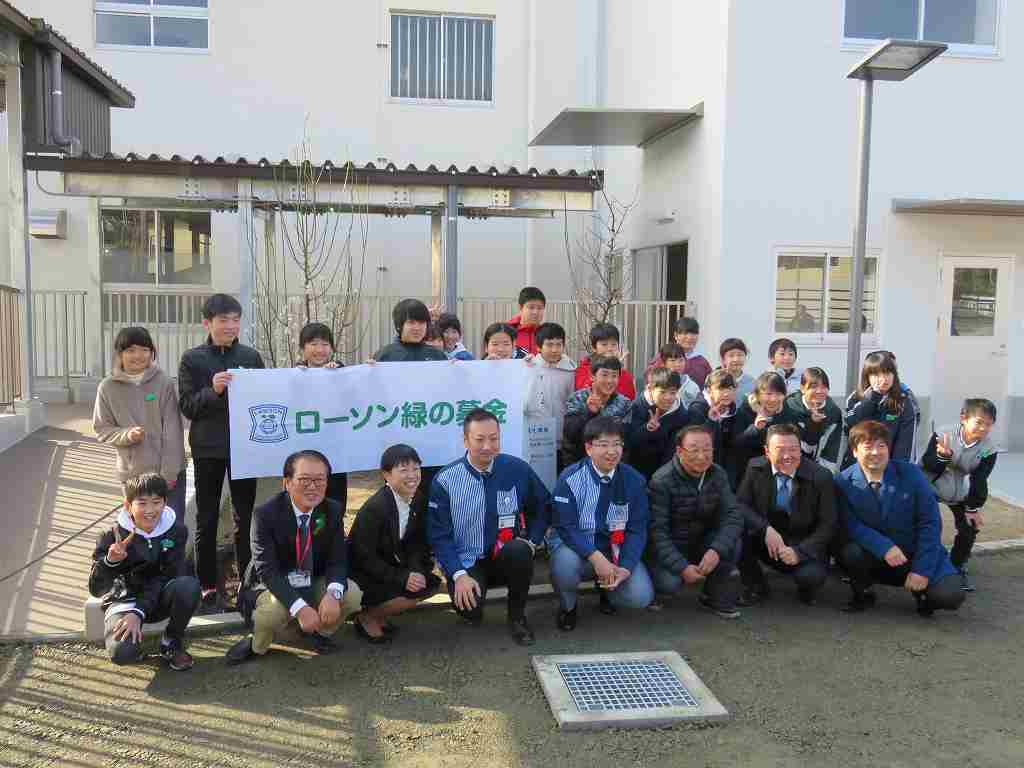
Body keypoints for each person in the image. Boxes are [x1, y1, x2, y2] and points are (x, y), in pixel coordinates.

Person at [427, 408, 550, 646]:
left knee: (520, 550)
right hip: (468, 561)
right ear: (465, 440)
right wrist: (458, 574)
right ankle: (471, 593)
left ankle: (517, 617)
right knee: (470, 611)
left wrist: (533, 540)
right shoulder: (445, 480)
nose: (488, 446)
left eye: (494, 439)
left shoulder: (517, 469)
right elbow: (439, 535)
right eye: (480, 439)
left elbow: (544, 506)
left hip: (505, 555)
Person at [226, 450, 362, 664]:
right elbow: (267, 571)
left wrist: (333, 594)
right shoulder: (264, 515)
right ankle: (257, 644)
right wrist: (300, 608)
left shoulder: (332, 510)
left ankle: (318, 633)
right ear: (287, 483)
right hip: (273, 582)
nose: (313, 486)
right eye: (304, 480)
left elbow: (338, 559)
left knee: (351, 594)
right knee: (271, 613)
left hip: (312, 577)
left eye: (319, 479)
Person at [178, 293, 265, 607]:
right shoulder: (192, 359)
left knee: (244, 516)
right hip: (208, 448)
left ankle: (246, 578)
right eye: (223, 320)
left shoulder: (251, 356)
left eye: (235, 319)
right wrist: (212, 391)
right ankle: (207, 585)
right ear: (207, 323)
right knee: (207, 517)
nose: (230, 326)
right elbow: (187, 406)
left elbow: (264, 399)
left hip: (245, 447)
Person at [836, 421, 965, 617]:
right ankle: (864, 590)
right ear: (854, 451)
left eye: (881, 446)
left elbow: (929, 522)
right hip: (876, 555)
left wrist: (922, 569)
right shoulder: (842, 481)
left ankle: (924, 596)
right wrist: (884, 547)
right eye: (868, 446)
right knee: (850, 551)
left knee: (950, 595)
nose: (875, 452)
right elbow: (851, 524)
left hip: (914, 552)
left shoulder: (911, 474)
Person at [550, 417, 654, 630]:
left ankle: (608, 591)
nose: (612, 451)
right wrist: (596, 557)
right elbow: (566, 526)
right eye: (603, 445)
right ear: (588, 448)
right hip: (576, 547)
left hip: (614, 548)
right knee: (565, 566)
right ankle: (568, 607)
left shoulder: (634, 480)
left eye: (617, 444)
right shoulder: (570, 478)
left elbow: (637, 529)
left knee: (640, 596)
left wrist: (625, 567)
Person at [88, 473, 199, 671]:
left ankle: (171, 642)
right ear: (128, 505)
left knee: (189, 586)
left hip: (159, 597)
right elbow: (96, 590)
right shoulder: (110, 536)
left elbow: (167, 575)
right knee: (121, 653)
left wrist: (138, 611)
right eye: (142, 503)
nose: (150, 510)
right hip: (124, 601)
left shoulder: (176, 531)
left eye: (156, 502)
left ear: (165, 502)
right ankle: (137, 652)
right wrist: (109, 562)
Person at [647, 425, 744, 619]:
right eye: (694, 449)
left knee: (733, 544)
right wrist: (681, 567)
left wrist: (716, 550)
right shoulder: (661, 480)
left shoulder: (717, 474)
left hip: (701, 542)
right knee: (669, 583)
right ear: (679, 451)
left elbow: (733, 515)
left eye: (707, 449)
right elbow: (657, 532)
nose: (701, 456)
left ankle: (711, 594)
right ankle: (658, 591)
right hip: (672, 546)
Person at [348, 444, 441, 642]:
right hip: (365, 572)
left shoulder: (418, 499)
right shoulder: (376, 508)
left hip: (393, 565)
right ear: (387, 475)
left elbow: (417, 542)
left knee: (427, 582)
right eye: (404, 470)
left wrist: (415, 570)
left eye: (416, 469)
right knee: (409, 589)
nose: (412, 475)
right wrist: (401, 576)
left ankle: (379, 615)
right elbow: (363, 556)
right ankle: (367, 617)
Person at [736, 424, 836, 606]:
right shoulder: (755, 467)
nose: (788, 456)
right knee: (735, 532)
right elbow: (741, 505)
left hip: (803, 542)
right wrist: (765, 529)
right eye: (780, 450)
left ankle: (806, 588)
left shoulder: (821, 476)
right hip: (767, 540)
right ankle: (756, 585)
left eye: (793, 449)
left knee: (811, 577)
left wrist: (800, 552)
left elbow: (828, 524)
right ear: (767, 451)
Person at [93, 327, 186, 517]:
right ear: (120, 354)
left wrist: (168, 474)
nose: (139, 355)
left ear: (152, 352)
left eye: (145, 349)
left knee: (172, 530)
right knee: (139, 530)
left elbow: (173, 430)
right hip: (133, 476)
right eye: (131, 350)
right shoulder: (107, 388)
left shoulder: (163, 382)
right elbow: (102, 429)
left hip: (168, 473)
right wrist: (126, 435)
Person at [920, 398, 1000, 592]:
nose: (983, 428)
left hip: (958, 488)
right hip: (929, 483)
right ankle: (920, 562)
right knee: (928, 523)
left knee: (969, 526)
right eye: (979, 422)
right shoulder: (943, 434)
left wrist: (973, 508)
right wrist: (943, 456)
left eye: (988, 424)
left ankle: (956, 566)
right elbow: (928, 463)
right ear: (964, 418)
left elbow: (979, 479)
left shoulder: (988, 449)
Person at [295, 322, 348, 512]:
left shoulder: (341, 372)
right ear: (303, 349)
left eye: (325, 344)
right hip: (304, 451)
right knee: (304, 500)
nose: (320, 350)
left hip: (336, 451)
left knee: (335, 502)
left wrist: (340, 372)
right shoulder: (292, 376)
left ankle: (334, 538)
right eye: (313, 344)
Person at [843, 351, 920, 469]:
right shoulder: (856, 398)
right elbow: (851, 423)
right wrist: (873, 397)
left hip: (890, 472)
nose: (883, 379)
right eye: (876, 375)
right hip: (856, 470)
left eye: (887, 373)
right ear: (867, 376)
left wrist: (897, 474)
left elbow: (906, 446)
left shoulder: (904, 402)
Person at [561, 355, 633, 469]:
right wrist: (589, 413)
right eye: (604, 375)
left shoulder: (625, 404)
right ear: (592, 376)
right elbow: (570, 435)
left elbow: (625, 442)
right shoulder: (577, 398)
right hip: (580, 466)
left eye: (614, 376)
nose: (609, 380)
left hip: (612, 467)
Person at [731, 371, 796, 489]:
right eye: (768, 394)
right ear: (758, 394)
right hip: (749, 473)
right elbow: (736, 444)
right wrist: (755, 429)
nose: (773, 399)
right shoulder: (746, 409)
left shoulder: (786, 410)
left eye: (778, 394)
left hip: (779, 472)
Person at [626, 367, 691, 481]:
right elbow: (629, 441)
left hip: (664, 474)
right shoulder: (638, 406)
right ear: (650, 389)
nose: (668, 397)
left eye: (672, 392)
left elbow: (673, 450)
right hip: (634, 470)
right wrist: (647, 429)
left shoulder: (681, 415)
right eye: (662, 392)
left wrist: (661, 477)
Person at [523, 322, 577, 449]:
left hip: (562, 438)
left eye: (559, 345)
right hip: (535, 437)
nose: (554, 349)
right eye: (549, 345)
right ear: (539, 347)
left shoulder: (571, 371)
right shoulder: (528, 367)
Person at [785, 367, 843, 475]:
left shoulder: (833, 412)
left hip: (817, 470)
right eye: (814, 387)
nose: (820, 391)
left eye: (824, 387)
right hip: (789, 467)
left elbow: (831, 449)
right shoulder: (789, 407)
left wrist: (824, 475)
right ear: (802, 388)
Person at [688, 369, 740, 486]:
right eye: (721, 389)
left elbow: (735, 446)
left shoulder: (733, 410)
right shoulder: (698, 409)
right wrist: (711, 421)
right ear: (709, 390)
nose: (726, 393)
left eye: (730, 389)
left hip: (724, 473)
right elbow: (696, 443)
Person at [646, 317, 712, 391]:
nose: (690, 337)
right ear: (676, 335)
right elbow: (650, 378)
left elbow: (710, 386)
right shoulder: (663, 356)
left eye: (694, 333)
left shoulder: (702, 362)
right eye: (685, 333)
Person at [373, 298, 449, 362]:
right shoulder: (385, 355)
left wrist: (454, 366)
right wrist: (369, 369)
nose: (417, 328)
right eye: (411, 322)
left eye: (421, 323)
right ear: (399, 325)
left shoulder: (437, 356)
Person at [575, 322, 637, 399]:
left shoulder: (625, 376)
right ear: (594, 348)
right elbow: (583, 394)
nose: (609, 349)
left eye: (613, 344)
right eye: (604, 344)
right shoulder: (583, 371)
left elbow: (630, 403)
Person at [655, 342, 701, 407]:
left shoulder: (693, 387)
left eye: (681, 360)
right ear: (663, 363)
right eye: (672, 360)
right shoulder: (656, 382)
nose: (677, 365)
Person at [508, 286, 546, 357]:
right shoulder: (506, 332)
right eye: (531, 307)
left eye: (540, 308)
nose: (535, 312)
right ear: (520, 307)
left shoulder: (547, 334)